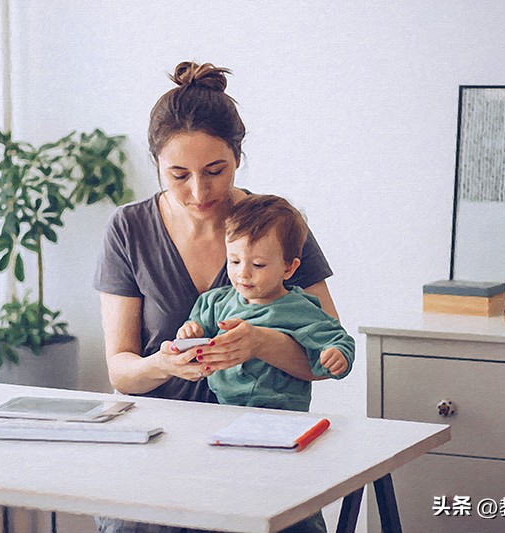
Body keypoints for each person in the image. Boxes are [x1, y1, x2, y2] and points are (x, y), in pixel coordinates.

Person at [93, 61, 343, 533]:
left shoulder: (279, 227)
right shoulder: (128, 229)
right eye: (179, 174)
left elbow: (327, 357)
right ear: (156, 166)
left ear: (238, 158)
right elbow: (120, 369)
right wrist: (162, 365)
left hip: (264, 443)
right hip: (161, 446)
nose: (199, 191)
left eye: (215, 170)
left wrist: (258, 343)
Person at [177, 194, 354, 413]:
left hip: (282, 412)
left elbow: (338, 339)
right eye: (234, 261)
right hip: (224, 409)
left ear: (288, 268)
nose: (243, 273)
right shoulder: (214, 302)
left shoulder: (298, 308)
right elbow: (195, 330)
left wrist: (337, 353)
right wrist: (190, 331)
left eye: (258, 264)